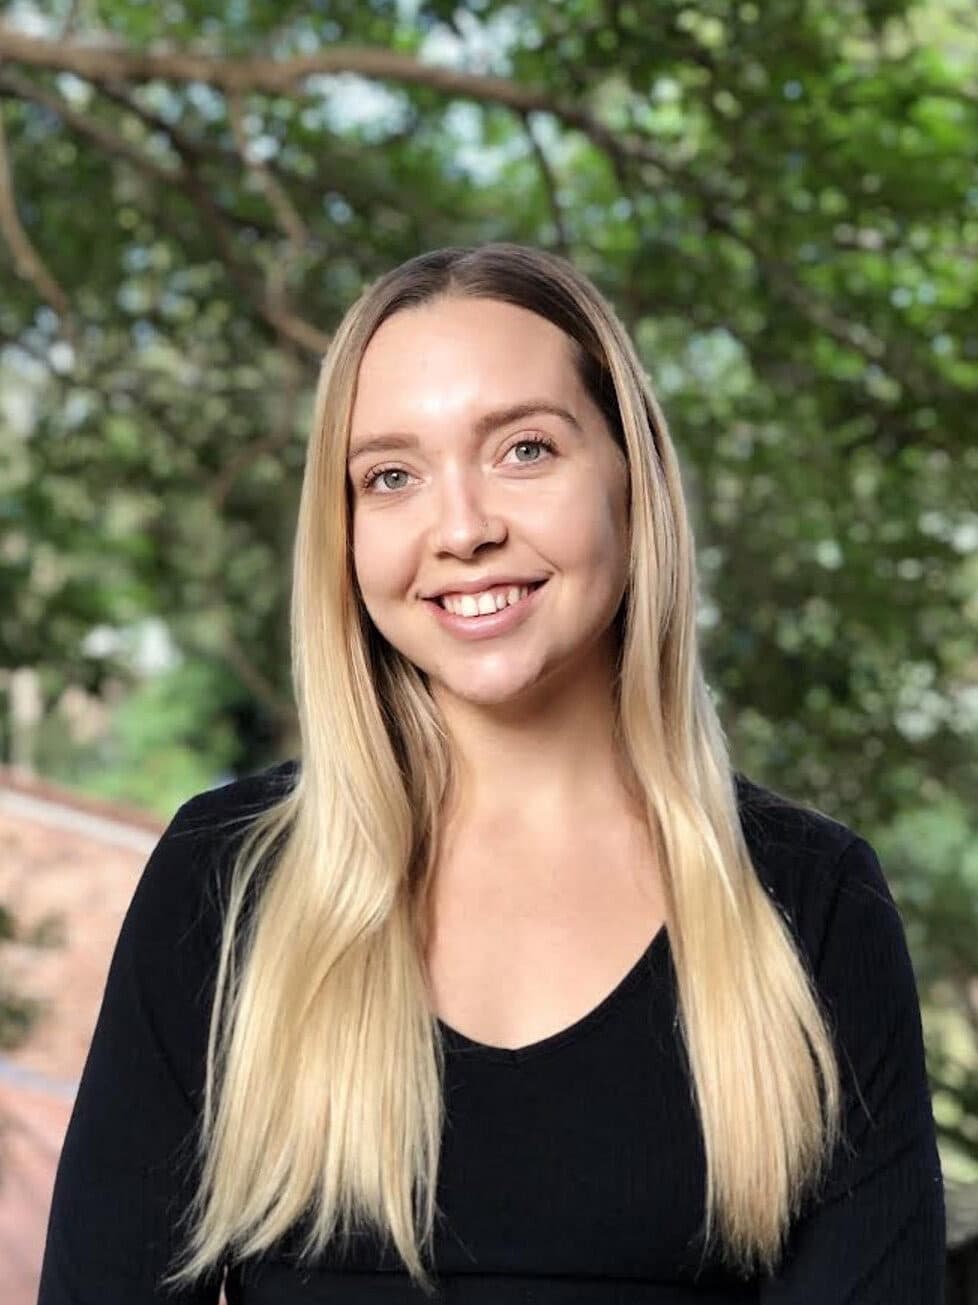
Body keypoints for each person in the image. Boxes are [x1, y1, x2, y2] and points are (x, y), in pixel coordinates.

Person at [38, 243, 946, 1303]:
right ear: (346, 532)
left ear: (630, 476)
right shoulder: (225, 882)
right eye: (391, 476)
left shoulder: (813, 905)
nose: (463, 528)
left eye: (523, 449)